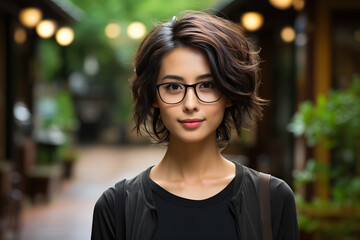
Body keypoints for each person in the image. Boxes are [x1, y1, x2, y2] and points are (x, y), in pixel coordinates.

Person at [91, 11, 299, 240]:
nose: (190, 104)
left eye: (207, 85)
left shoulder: (271, 199)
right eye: (173, 87)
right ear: (153, 96)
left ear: (229, 93)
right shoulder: (117, 207)